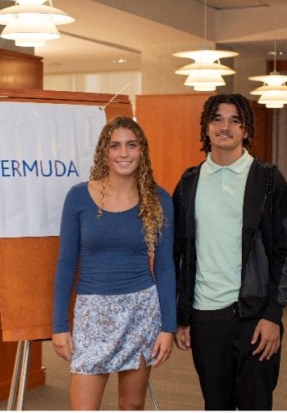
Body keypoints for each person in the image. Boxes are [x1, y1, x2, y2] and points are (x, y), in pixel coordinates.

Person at [172, 93, 287, 410]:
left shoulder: (268, 179)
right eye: (217, 119)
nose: (225, 127)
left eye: (235, 120)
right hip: (205, 315)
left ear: (246, 129)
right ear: (206, 127)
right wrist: (182, 316)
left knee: (256, 403)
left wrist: (272, 315)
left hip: (255, 316)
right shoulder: (188, 183)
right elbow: (178, 254)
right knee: (216, 404)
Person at [52, 116, 176, 410]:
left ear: (142, 151)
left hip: (141, 311)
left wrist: (168, 327)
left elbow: (165, 266)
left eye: (131, 145)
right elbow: (67, 262)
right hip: (93, 313)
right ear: (104, 152)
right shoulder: (78, 197)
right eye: (115, 146)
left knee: (131, 406)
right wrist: (59, 325)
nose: (124, 153)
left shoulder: (159, 199)